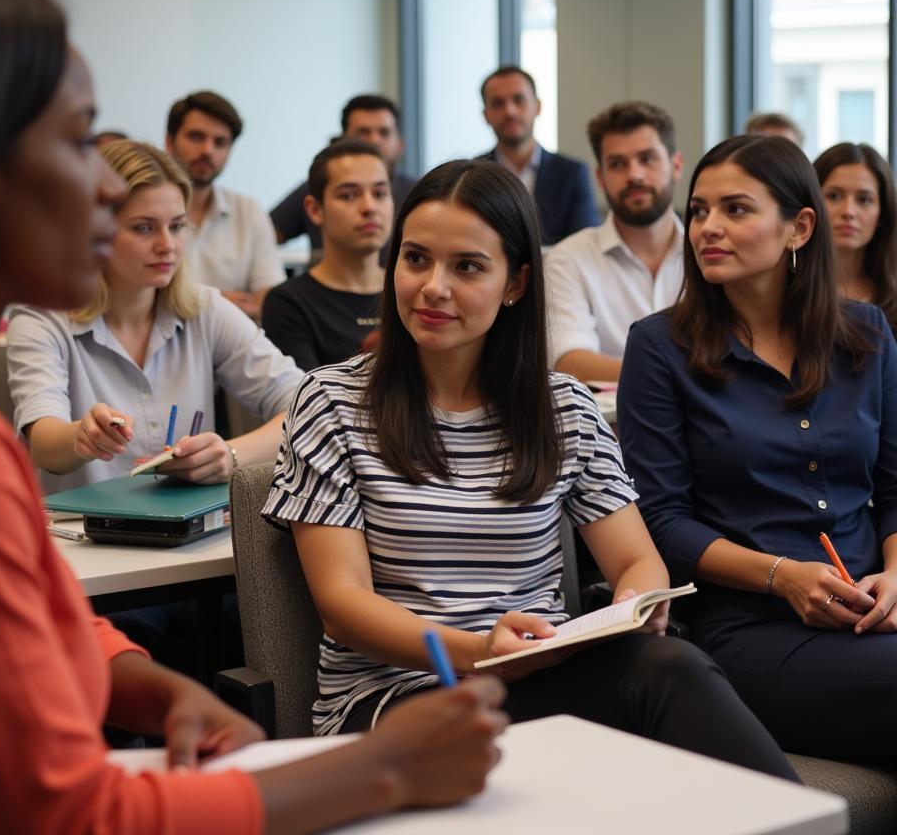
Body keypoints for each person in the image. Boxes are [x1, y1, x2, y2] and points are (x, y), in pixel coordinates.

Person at [0, 0, 510, 834]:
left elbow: (16, 630)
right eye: (75, 139)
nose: (104, 183)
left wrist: (139, 682)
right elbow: (70, 813)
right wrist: (386, 769)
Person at [262, 158, 795, 780]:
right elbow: (342, 604)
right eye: (415, 259)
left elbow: (636, 560)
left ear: (514, 284)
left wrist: (635, 603)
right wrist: (478, 653)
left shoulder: (564, 407)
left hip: (541, 676)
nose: (434, 287)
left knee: (670, 669)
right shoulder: (332, 401)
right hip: (394, 698)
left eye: (467, 267)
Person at [618, 133, 897, 763]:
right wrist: (782, 577)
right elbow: (661, 523)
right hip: (749, 628)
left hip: (870, 608)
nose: (707, 228)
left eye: (735, 210)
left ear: (798, 228)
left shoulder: (865, 333)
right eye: (698, 211)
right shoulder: (660, 348)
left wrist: (896, 575)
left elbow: (895, 488)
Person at [6, 141, 303, 497]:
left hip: (190, 540)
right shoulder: (43, 317)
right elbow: (43, 444)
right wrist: (80, 437)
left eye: (177, 226)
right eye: (144, 228)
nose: (168, 245)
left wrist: (231, 453)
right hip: (83, 541)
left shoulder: (205, 308)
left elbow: (304, 407)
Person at [544, 100, 684, 381]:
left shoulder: (710, 250)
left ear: (676, 165)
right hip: (610, 425)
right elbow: (569, 362)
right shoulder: (568, 259)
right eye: (617, 164)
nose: (634, 175)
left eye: (647, 159)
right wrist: (680, 376)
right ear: (600, 177)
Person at [263, 140, 392, 372]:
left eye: (380, 193)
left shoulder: (412, 290)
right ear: (315, 209)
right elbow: (308, 403)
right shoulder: (289, 303)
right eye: (349, 195)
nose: (369, 207)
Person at [166, 90, 284, 320]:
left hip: (231, 350)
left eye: (220, 142)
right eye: (196, 137)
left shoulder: (248, 211)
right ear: (169, 142)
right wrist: (215, 301)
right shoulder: (144, 211)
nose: (207, 150)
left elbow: (270, 297)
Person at [271, 94, 416, 254]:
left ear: (400, 145)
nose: (375, 140)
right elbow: (261, 236)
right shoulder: (318, 188)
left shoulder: (419, 194)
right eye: (348, 195)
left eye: (384, 132)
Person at [476, 66, 598, 246]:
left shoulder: (572, 174)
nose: (510, 111)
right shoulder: (472, 175)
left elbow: (585, 246)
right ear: (486, 115)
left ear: (537, 106)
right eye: (498, 103)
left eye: (519, 100)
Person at [814, 141, 897, 334]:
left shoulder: (891, 294)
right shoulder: (783, 290)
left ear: (882, 214)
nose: (849, 212)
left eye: (864, 199)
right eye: (834, 196)